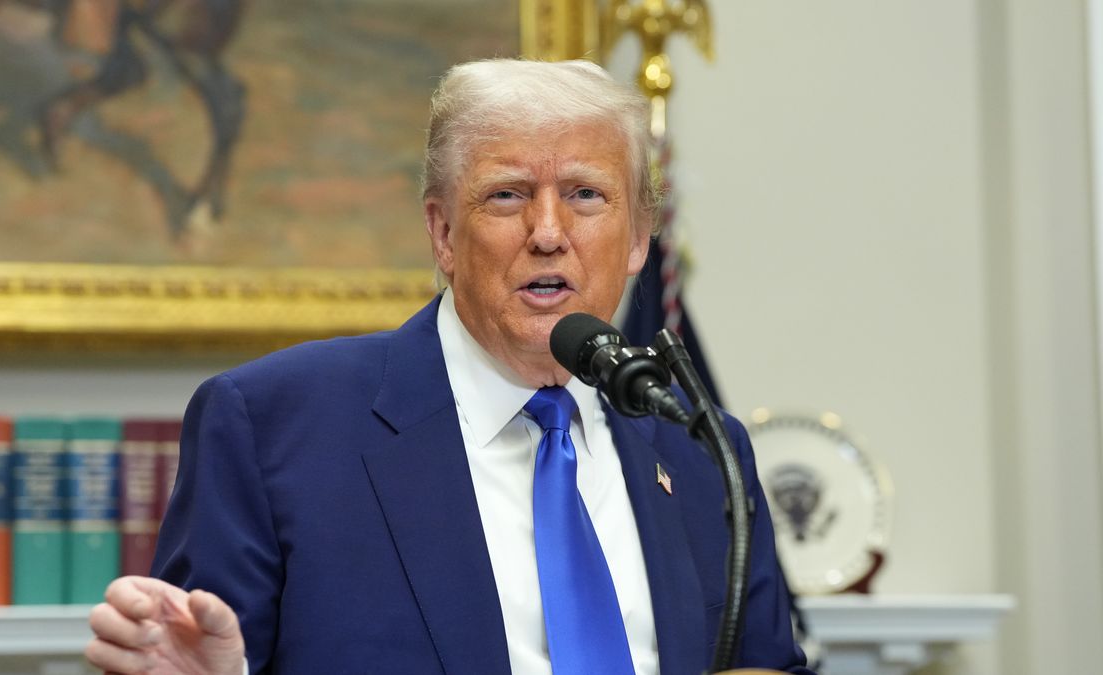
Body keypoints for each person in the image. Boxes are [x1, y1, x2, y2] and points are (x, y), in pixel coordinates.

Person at [85, 58, 812, 675]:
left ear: (636, 240)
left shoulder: (699, 447)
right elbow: (192, 651)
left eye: (586, 195)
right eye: (508, 195)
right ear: (443, 232)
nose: (549, 233)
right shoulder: (274, 428)